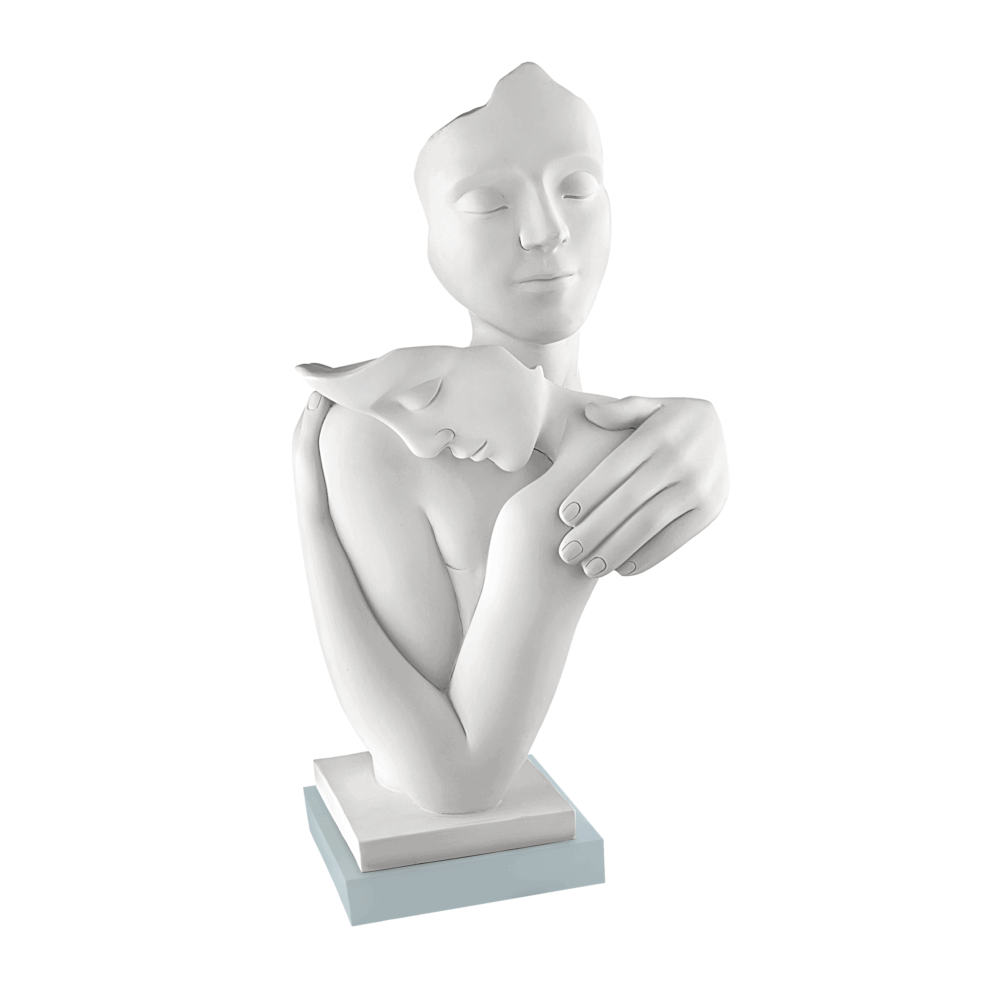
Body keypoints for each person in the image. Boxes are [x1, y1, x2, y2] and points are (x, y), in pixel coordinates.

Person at [292, 63, 729, 812]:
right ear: (431, 246)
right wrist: (314, 525)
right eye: (489, 204)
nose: (546, 230)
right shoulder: (375, 439)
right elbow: (450, 781)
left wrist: (700, 430)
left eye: (577, 189)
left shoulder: (643, 438)